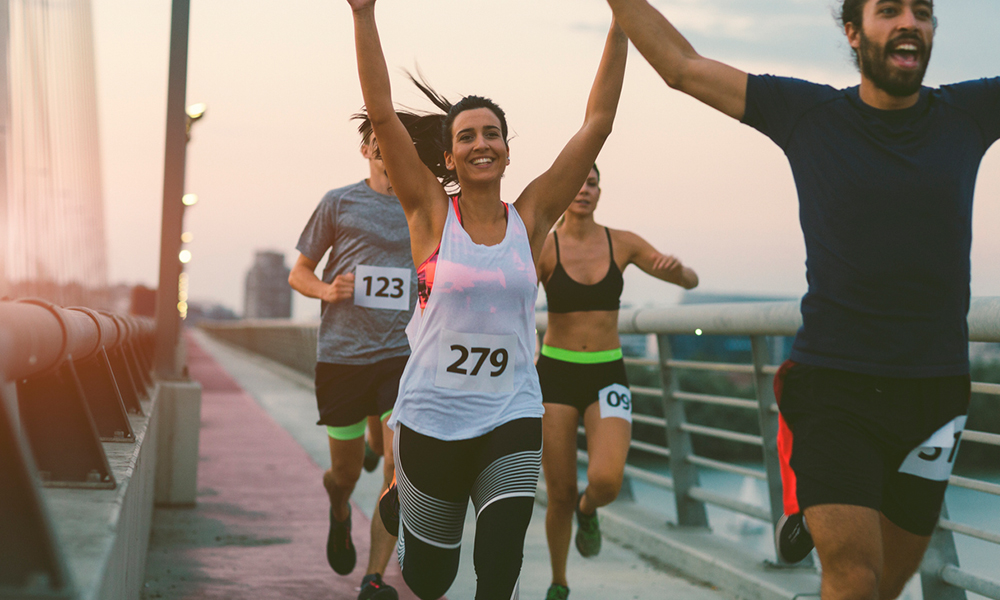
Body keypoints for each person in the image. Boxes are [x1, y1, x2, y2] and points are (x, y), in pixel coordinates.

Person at [603, 0, 999, 598]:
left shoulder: (968, 113)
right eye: (888, 10)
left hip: (935, 393)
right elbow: (682, 66)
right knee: (853, 578)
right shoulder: (809, 113)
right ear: (853, 32)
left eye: (921, 10)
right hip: (835, 388)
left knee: (889, 583)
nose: (908, 22)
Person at [346, 0, 628, 597]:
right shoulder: (427, 213)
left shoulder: (529, 220)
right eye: (467, 136)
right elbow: (382, 115)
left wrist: (621, 19)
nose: (482, 143)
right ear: (447, 157)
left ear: (506, 149)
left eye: (492, 134)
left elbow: (596, 123)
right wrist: (363, 14)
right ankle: (406, 501)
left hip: (510, 415)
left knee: (499, 572)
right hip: (430, 419)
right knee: (431, 580)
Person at [536, 164, 698, 600]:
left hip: (608, 373)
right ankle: (559, 581)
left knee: (606, 480)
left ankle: (590, 512)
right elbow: (511, 297)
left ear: (600, 192)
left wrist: (677, 271)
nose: (583, 190)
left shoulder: (620, 242)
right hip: (554, 374)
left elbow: (688, 280)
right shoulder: (545, 247)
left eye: (591, 183)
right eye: (577, 182)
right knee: (561, 491)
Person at [288, 115, 415, 600]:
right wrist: (327, 289)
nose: (385, 148)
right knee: (343, 475)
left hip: (400, 356)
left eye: (394, 141)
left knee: (394, 469)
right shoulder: (338, 202)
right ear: (365, 150)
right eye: (376, 142)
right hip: (342, 356)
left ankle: (374, 576)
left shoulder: (422, 203)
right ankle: (339, 508)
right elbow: (299, 272)